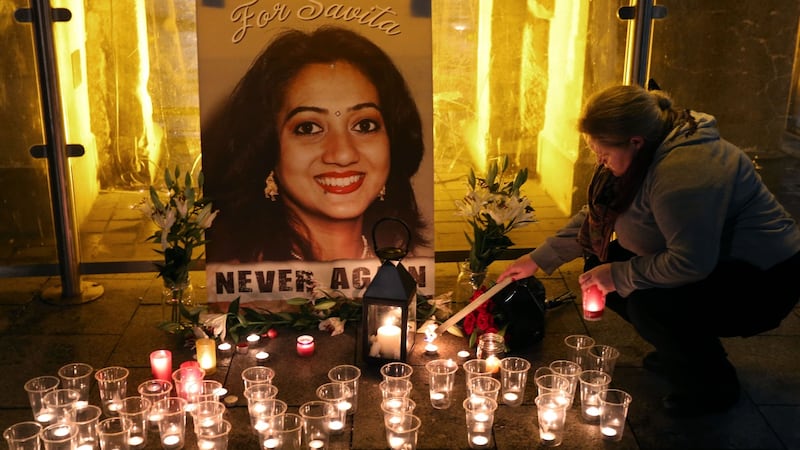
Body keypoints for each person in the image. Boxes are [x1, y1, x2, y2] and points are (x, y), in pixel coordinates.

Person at [499, 84, 800, 417]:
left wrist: (620, 275)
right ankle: (683, 347)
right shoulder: (649, 150)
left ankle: (713, 384)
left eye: (603, 153)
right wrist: (536, 260)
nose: (598, 160)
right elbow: (599, 214)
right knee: (601, 265)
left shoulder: (683, 175)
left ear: (635, 142)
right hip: (714, 260)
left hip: (761, 280)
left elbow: (691, 262)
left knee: (648, 303)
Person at [202, 26, 429, 262]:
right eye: (308, 128)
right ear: (266, 147)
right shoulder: (238, 288)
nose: (342, 154)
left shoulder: (413, 271)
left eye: (364, 125)